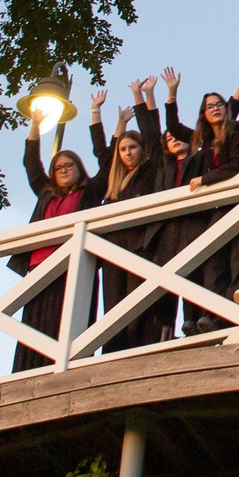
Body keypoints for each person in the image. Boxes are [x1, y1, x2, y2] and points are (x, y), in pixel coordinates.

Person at [92, 76, 181, 349]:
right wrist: (97, 112)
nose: (127, 153)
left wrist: (143, 98)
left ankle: (144, 349)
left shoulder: (150, 170)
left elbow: (153, 135)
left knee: (140, 301)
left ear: (141, 151)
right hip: (114, 247)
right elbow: (101, 152)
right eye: (123, 149)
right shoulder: (115, 181)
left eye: (132, 148)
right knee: (115, 303)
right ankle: (113, 351)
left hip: (142, 244)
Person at [13, 110, 101, 368]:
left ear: (78, 168)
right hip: (40, 265)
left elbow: (107, 165)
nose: (63, 170)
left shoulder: (90, 192)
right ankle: (28, 370)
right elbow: (31, 163)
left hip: (73, 266)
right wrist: (36, 124)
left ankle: (66, 366)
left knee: (65, 320)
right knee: (36, 323)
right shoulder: (46, 193)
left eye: (68, 165)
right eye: (58, 168)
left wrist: (97, 115)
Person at [170, 85, 239, 332]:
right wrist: (172, 94)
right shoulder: (203, 140)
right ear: (203, 114)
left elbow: (237, 163)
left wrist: (207, 179)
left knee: (236, 259)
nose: (215, 109)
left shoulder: (236, 130)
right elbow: (173, 128)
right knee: (214, 259)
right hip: (216, 206)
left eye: (219, 105)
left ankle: (228, 311)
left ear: (227, 109)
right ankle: (209, 314)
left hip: (238, 201)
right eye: (209, 106)